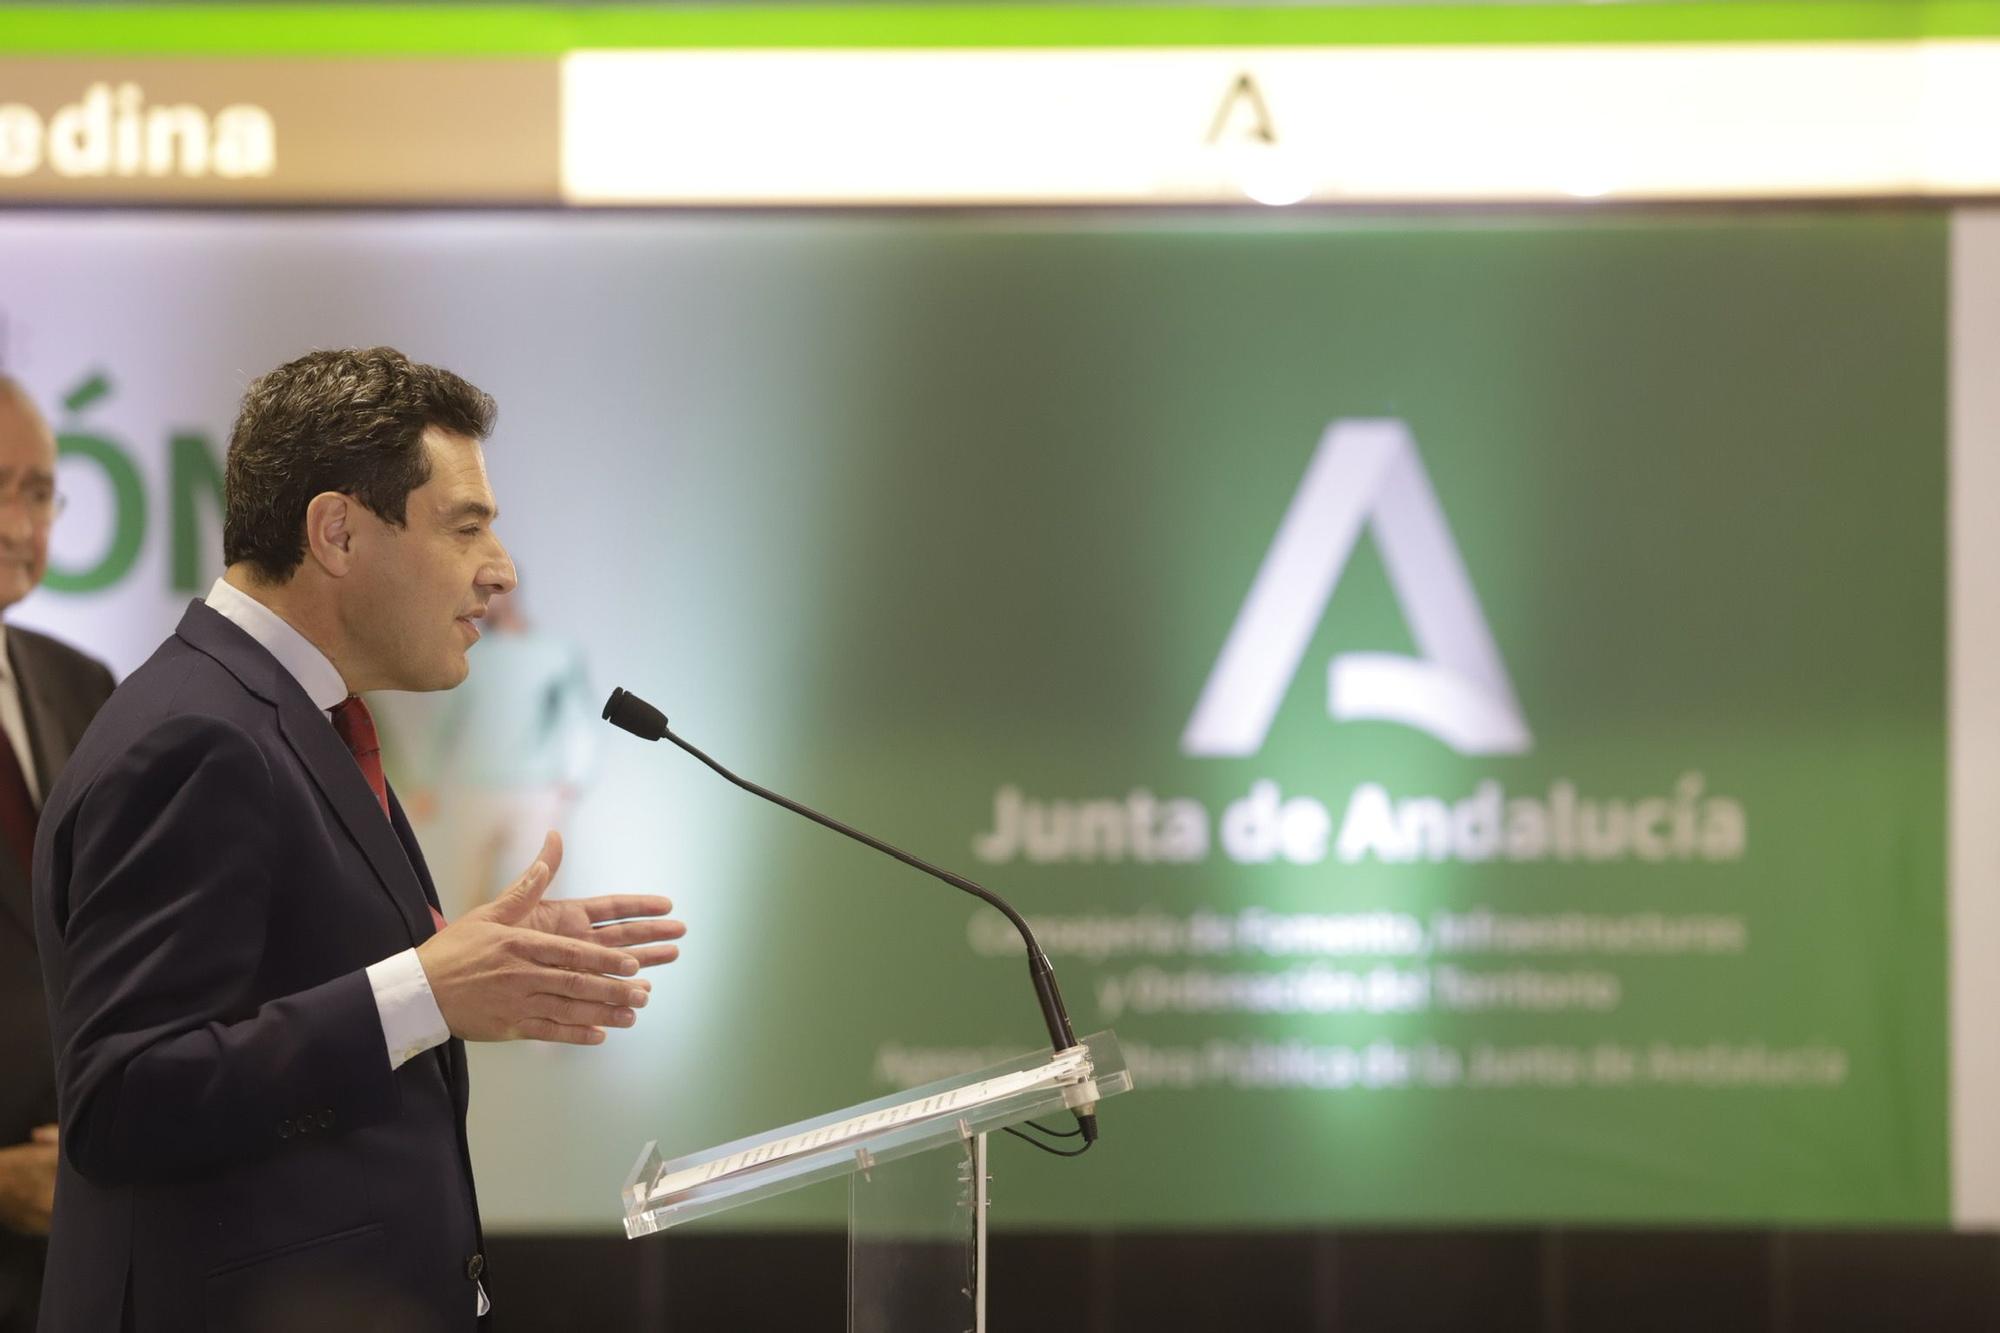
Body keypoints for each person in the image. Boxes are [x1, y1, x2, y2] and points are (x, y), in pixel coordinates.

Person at [31, 348, 685, 1331]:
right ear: (336, 532)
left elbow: (285, 991)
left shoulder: (291, 716)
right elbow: (122, 1099)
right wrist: (423, 991)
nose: (499, 571)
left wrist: (462, 967)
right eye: (466, 528)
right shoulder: (196, 736)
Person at [0, 378, 115, 1333]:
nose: (16, 522)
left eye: (38, 491)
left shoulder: (82, 687)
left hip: (83, 1253)